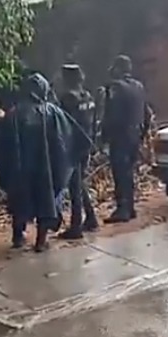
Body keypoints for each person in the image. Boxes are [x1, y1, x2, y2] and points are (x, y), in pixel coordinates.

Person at [0, 73, 89, 252]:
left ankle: (18, 236)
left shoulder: (13, 114)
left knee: (19, 199)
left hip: (20, 169)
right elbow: (68, 138)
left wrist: (6, 167)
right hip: (46, 170)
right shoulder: (53, 112)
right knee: (46, 202)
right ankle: (41, 241)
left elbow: (2, 144)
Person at [101, 55, 151, 223]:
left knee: (120, 173)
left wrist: (104, 137)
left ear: (118, 68)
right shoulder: (139, 86)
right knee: (129, 173)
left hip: (120, 137)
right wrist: (142, 134)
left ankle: (122, 209)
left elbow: (111, 115)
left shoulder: (115, 87)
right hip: (135, 136)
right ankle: (130, 207)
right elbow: (147, 113)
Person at [57, 63, 99, 239]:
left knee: (74, 185)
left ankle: (76, 226)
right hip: (86, 144)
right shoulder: (87, 96)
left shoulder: (68, 98)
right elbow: (94, 120)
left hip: (73, 146)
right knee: (80, 182)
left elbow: (63, 124)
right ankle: (90, 217)